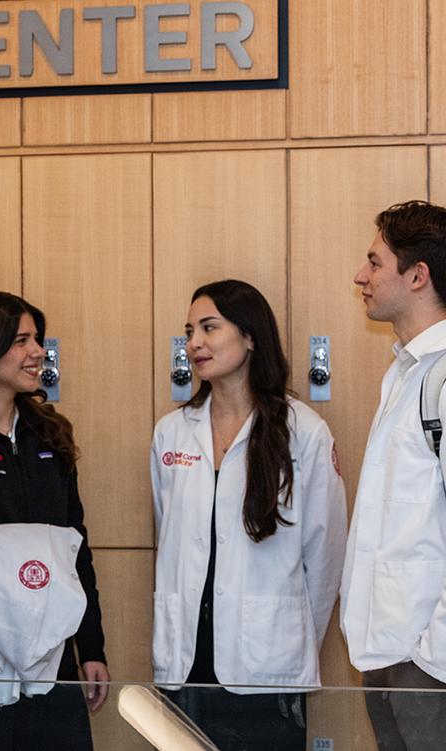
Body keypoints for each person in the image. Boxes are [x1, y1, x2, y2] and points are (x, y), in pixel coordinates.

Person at [151, 279, 346, 751]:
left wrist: (290, 636)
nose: (194, 342)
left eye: (209, 327)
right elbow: (171, 537)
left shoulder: (303, 432)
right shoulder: (172, 433)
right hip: (186, 662)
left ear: (251, 336)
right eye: (190, 330)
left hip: (267, 662)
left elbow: (326, 557)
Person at [0, 291, 109, 750]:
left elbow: (76, 547)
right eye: (21, 341)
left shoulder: (50, 434)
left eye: (38, 339)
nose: (38, 352)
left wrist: (91, 648)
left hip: (53, 653)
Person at [343, 200, 446, 751]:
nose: (361, 276)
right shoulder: (405, 372)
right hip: (386, 656)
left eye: (374, 262)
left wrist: (431, 661)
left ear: (417, 275)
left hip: (428, 670)